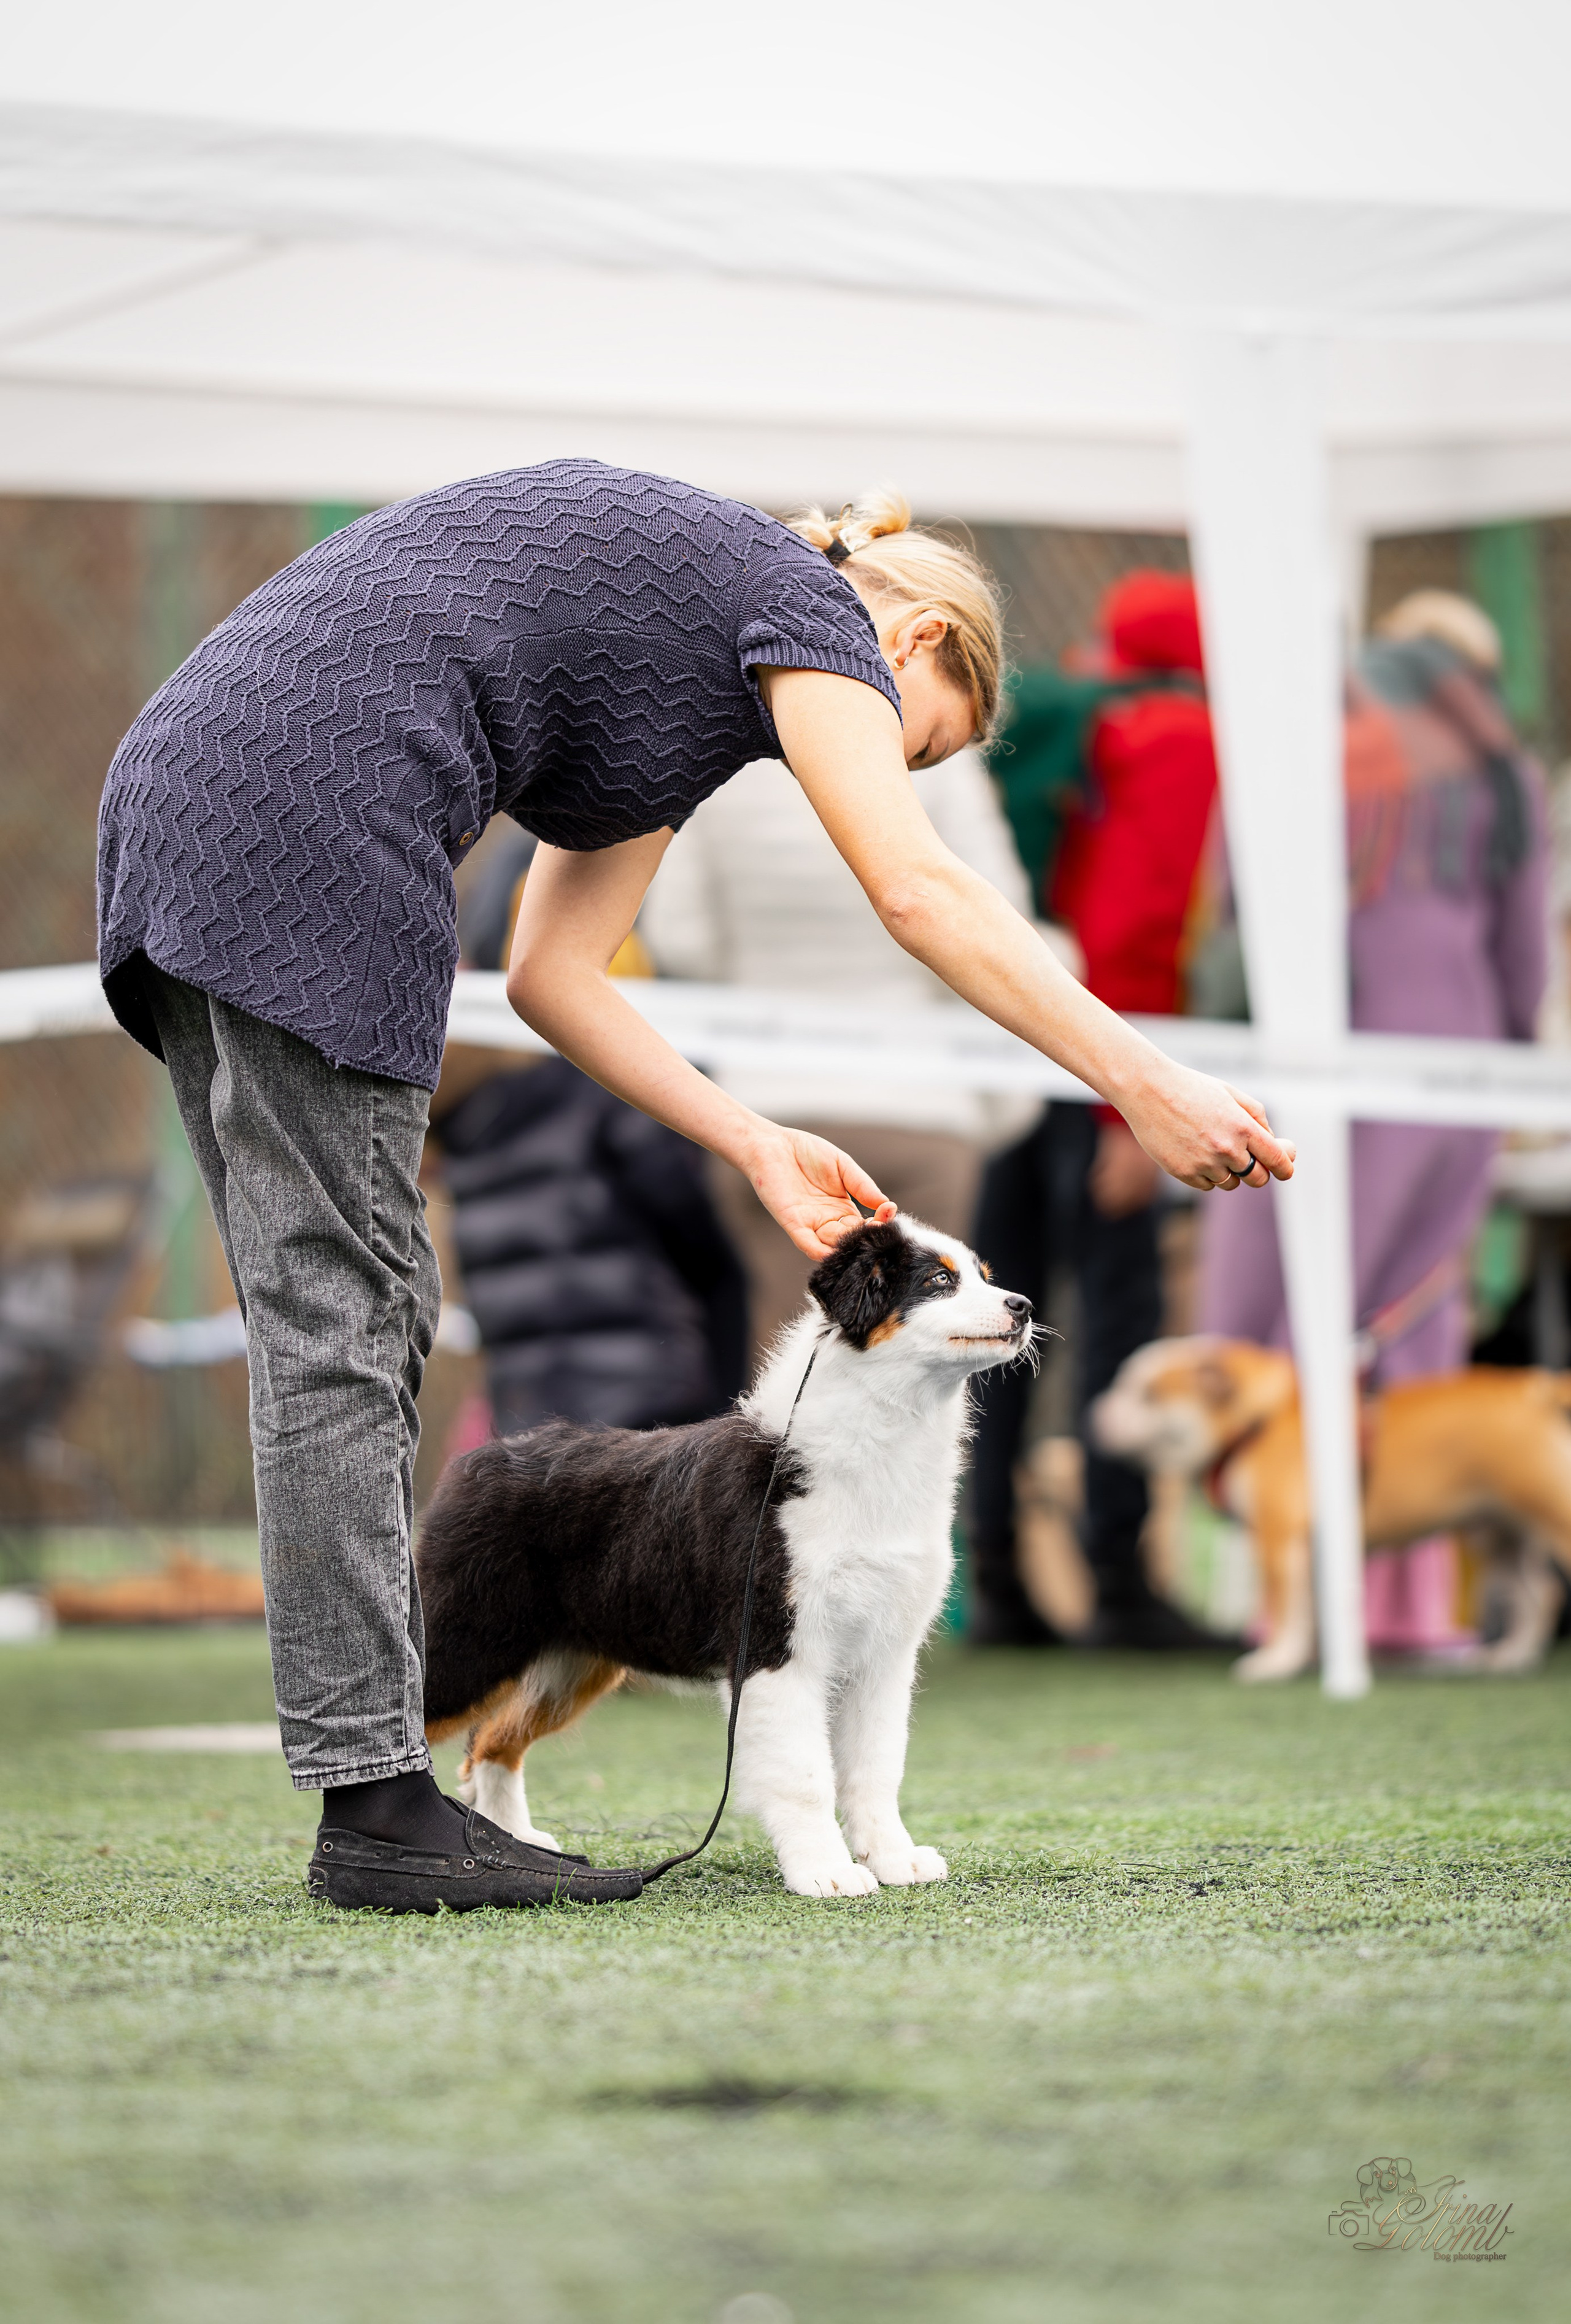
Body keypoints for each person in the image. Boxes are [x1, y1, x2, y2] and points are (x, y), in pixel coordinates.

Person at [97, 463, 1291, 1915]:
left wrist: (748, 1137)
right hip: (310, 821)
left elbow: (548, 974)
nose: (880, 772)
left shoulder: (677, 662)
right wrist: (1143, 1081)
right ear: (907, 650)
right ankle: (377, 1809)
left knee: (338, 1313)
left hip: (185, 801)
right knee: (348, 1320)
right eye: (920, 749)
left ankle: (378, 1795)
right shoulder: (810, 613)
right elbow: (917, 892)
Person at [1199, 588, 1549, 1648]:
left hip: (1307, 1044)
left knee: (1282, 1310)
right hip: (1454, 1058)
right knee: (1413, 1320)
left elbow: (1226, 894)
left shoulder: (1314, 740)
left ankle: (1282, 1598)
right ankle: (1401, 1606)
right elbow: (1524, 944)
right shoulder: (1502, 766)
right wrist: (1515, 1071)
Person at [968, 571, 1235, 1648]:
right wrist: (1136, 1102)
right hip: (1101, 1061)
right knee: (1113, 1311)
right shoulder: (1175, 739)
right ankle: (1120, 1583)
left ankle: (1001, 1580)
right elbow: (1137, 920)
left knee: (995, 1317)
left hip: (1014, 1045)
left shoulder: (1066, 730)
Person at [639, 746, 1043, 1359]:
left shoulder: (723, 756)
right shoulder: (938, 756)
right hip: (921, 1103)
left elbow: (681, 934)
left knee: (791, 1354)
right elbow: (992, 927)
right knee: (938, 1352)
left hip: (767, 1102)